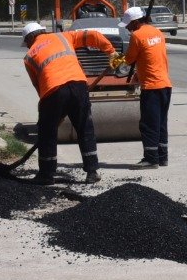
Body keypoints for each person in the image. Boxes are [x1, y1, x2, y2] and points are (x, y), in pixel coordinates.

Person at [20, 20, 117, 185]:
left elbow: (39, 87)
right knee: (85, 128)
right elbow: (93, 35)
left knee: (47, 132)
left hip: (53, 91)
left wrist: (52, 114)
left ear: (29, 39)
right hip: (79, 85)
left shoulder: (29, 57)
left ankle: (46, 175)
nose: (28, 46)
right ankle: (92, 172)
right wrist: (111, 52)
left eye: (27, 43)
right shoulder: (64, 37)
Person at [121, 5, 171, 168]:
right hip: (164, 84)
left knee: (149, 124)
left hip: (151, 87)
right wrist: (139, 73)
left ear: (135, 22)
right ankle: (162, 156)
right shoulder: (157, 32)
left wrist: (117, 60)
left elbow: (129, 59)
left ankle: (151, 159)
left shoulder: (137, 35)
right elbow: (151, 58)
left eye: (128, 25)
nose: (128, 29)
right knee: (161, 122)